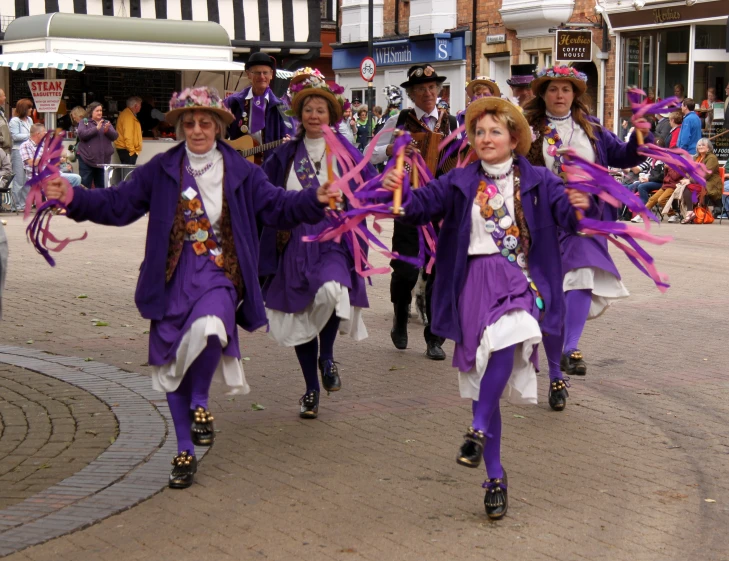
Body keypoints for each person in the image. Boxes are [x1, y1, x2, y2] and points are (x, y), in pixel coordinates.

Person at [41, 86, 337, 489]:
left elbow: (279, 206)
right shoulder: (161, 169)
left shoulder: (242, 171)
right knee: (171, 361)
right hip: (170, 277)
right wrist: (73, 197)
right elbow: (116, 203)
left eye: (205, 122)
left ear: (217, 126)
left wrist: (314, 198)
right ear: (181, 127)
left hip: (220, 272)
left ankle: (201, 404)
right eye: (190, 123)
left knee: (213, 324)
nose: (198, 129)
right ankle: (184, 450)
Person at [381, 96, 592, 519]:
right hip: (471, 284)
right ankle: (494, 474)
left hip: (518, 279)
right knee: (485, 384)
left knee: (510, 332)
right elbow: (417, 208)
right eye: (479, 131)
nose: (485, 138)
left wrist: (579, 206)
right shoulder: (459, 182)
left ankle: (475, 429)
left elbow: (570, 220)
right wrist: (398, 192)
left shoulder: (537, 181)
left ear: (514, 138)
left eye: (495, 131)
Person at [260, 69, 374, 419]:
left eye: (320, 110)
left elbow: (368, 189)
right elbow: (263, 195)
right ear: (299, 114)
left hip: (334, 238)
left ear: (332, 115)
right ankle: (311, 388)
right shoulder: (283, 155)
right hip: (293, 239)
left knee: (330, 292)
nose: (313, 115)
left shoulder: (346, 152)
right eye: (308, 109)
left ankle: (328, 356)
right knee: (302, 312)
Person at [523, 65, 649, 381]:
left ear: (575, 94)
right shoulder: (528, 129)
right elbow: (515, 167)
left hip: (585, 216)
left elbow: (624, 156)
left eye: (566, 89)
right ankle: (554, 370)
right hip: (543, 216)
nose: (560, 94)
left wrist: (639, 134)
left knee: (581, 272)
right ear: (543, 94)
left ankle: (570, 348)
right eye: (553, 89)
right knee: (548, 288)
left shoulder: (590, 128)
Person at [372, 64, 460, 361]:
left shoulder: (452, 122)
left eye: (432, 88)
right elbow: (369, 153)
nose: (428, 94)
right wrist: (392, 150)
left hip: (443, 207)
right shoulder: (399, 120)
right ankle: (400, 312)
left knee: (438, 270)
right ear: (411, 94)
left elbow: (464, 158)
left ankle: (434, 337)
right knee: (407, 269)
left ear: (439, 92)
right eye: (421, 90)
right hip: (409, 204)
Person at [223, 52, 293, 161]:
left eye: (265, 72)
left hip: (269, 167)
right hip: (239, 165)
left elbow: (290, 133)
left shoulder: (282, 107)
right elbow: (218, 127)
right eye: (257, 73)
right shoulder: (234, 102)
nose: (262, 77)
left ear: (271, 75)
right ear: (248, 74)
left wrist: (290, 142)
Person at [20, 124, 82, 190]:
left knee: (76, 178)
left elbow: (59, 155)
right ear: (38, 134)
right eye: (44, 132)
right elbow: (32, 163)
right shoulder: (25, 145)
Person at [76, 102, 118, 188]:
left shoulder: (106, 122)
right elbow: (82, 135)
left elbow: (115, 136)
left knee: (102, 187)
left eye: (101, 110)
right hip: (87, 160)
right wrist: (96, 129)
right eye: (97, 111)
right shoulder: (84, 122)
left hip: (103, 161)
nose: (99, 113)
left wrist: (107, 131)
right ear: (91, 112)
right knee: (85, 186)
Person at [9, 99, 35, 211]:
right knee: (19, 179)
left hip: (29, 151)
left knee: (28, 179)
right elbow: (15, 136)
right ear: (24, 109)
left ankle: (25, 204)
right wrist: (30, 136)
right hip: (18, 151)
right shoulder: (15, 121)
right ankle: (16, 205)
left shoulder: (29, 120)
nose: (31, 110)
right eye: (29, 108)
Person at [114, 96, 143, 165]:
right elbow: (128, 136)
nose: (141, 107)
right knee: (128, 173)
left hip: (126, 149)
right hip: (127, 150)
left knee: (127, 172)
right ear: (136, 106)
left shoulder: (128, 114)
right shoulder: (128, 117)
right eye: (140, 105)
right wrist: (132, 151)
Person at [0, 89, 11, 154]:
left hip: (5, 151)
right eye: (4, 95)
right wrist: (3, 140)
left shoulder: (1, 112)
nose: (5, 97)